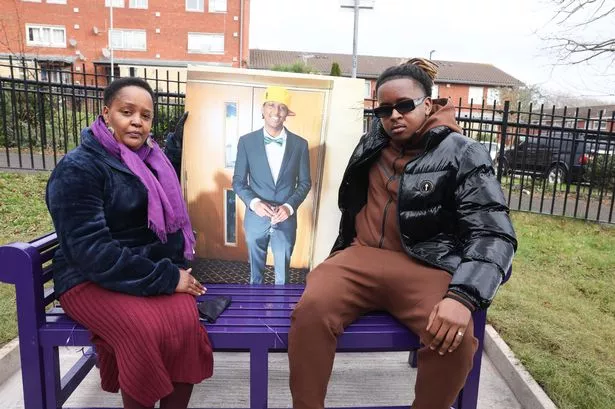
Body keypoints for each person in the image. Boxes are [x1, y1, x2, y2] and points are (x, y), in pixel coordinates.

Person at [288, 59, 517, 409]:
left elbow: (494, 234)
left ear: (429, 103)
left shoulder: (463, 153)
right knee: (311, 312)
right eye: (384, 108)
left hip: (425, 264)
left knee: (453, 339)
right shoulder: (372, 143)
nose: (393, 115)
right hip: (359, 257)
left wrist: (464, 298)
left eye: (404, 105)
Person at [46, 77, 213, 409]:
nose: (137, 121)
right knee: (141, 330)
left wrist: (170, 272)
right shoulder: (79, 168)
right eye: (127, 112)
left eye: (146, 115)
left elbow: (168, 184)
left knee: (184, 320)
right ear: (107, 113)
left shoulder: (151, 161)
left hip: (142, 271)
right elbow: (91, 253)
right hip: (88, 279)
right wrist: (167, 278)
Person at [232, 86, 311, 285]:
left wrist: (289, 207)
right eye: (271, 105)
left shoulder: (300, 144)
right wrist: (255, 203)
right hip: (256, 217)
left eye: (281, 108)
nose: (276, 112)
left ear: (286, 114)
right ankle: (254, 308)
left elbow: (304, 182)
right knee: (255, 276)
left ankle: (281, 309)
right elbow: (238, 181)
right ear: (263, 109)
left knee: (283, 277)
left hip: (285, 217)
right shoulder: (246, 142)